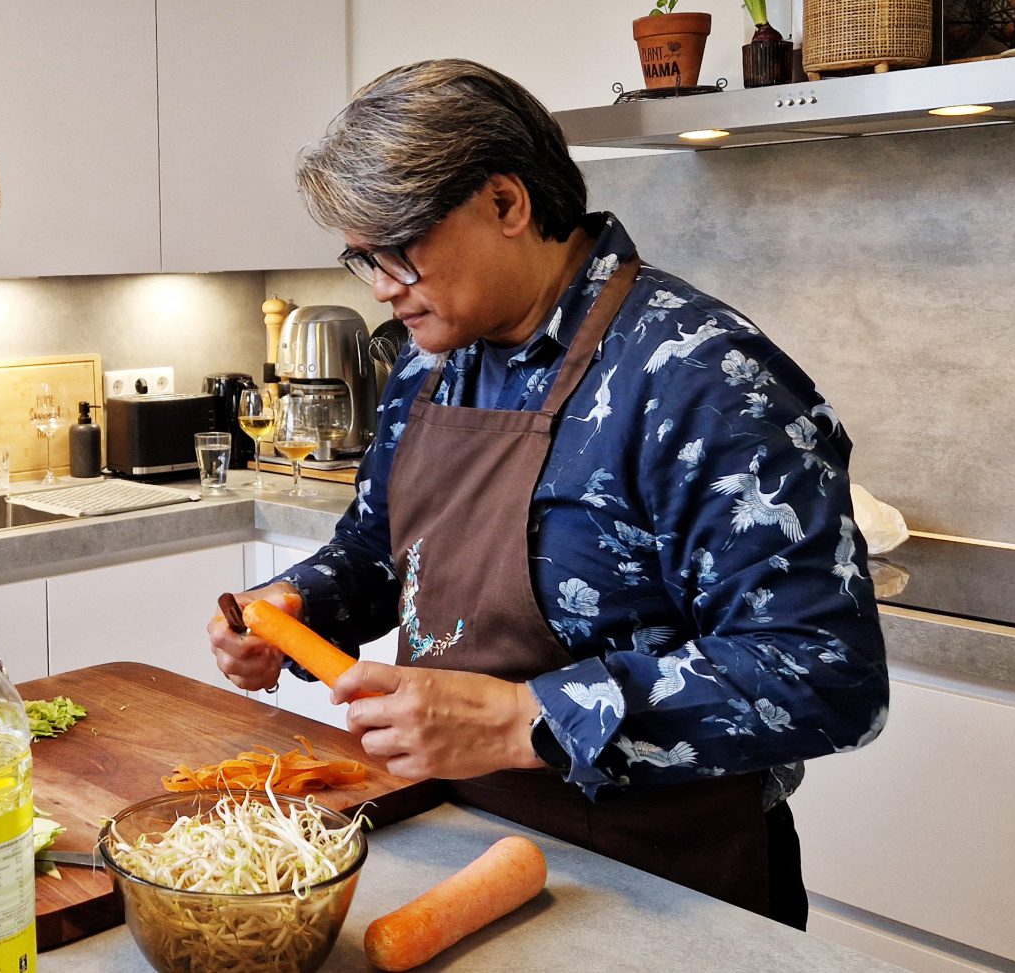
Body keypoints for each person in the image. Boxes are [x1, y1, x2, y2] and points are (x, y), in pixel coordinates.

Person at [209, 60, 888, 926]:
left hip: (663, 887)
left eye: (399, 247)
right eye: (361, 256)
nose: (379, 284)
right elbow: (380, 549)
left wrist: (525, 718)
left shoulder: (696, 376)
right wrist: (296, 603)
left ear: (505, 203)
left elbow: (830, 674)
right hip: (452, 853)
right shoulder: (425, 362)